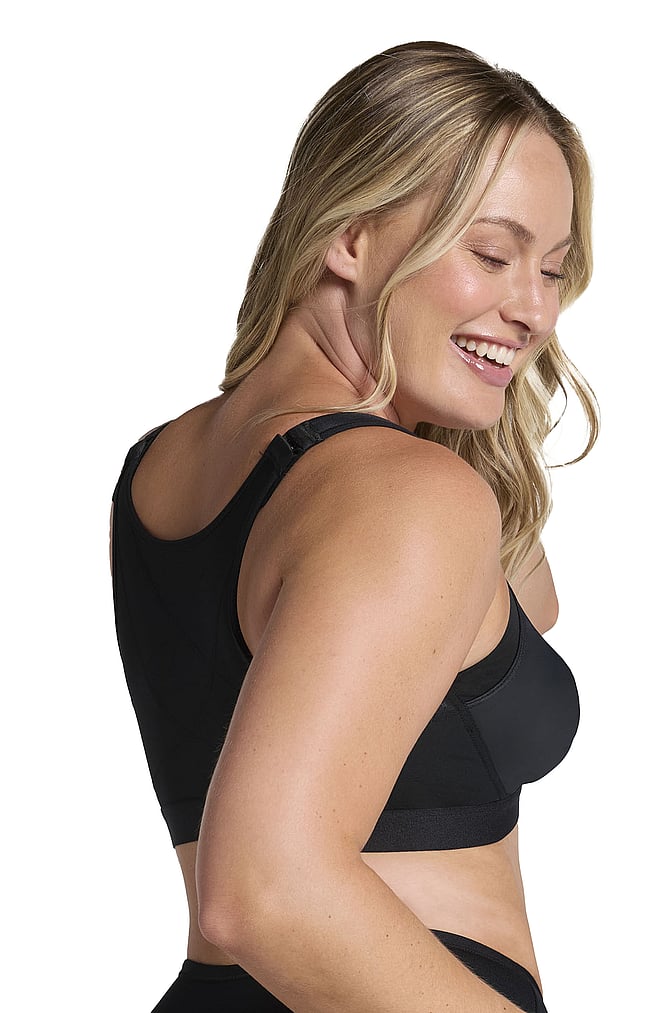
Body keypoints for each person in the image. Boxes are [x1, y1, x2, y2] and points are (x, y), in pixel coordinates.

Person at [110, 41, 598, 1012]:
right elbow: (263, 889)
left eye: (552, 269)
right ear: (350, 236)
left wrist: (447, 398)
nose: (537, 310)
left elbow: (523, 605)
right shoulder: (403, 493)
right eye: (491, 254)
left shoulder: (163, 465)